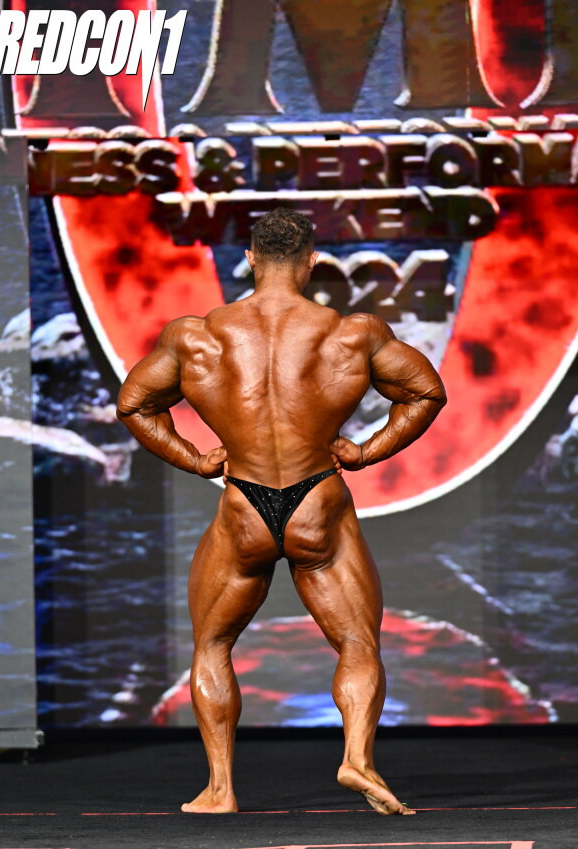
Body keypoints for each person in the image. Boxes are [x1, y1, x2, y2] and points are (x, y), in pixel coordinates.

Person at [116, 207, 447, 815]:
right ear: (312, 261)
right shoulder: (352, 333)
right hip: (316, 498)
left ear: (249, 259)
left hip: (243, 503)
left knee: (213, 643)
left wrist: (197, 460)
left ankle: (220, 789)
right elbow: (426, 392)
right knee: (357, 643)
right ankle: (357, 759)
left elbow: (134, 404)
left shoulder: (196, 335)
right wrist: (367, 451)